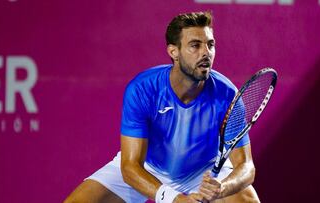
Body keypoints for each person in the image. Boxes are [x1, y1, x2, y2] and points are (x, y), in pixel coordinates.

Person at [64, 11, 260, 203]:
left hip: (202, 170)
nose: (205, 53)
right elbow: (130, 167)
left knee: (247, 200)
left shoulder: (227, 95)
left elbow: (246, 167)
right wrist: (173, 198)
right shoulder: (143, 89)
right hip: (148, 166)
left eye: (210, 45)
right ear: (173, 51)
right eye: (195, 45)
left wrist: (222, 187)